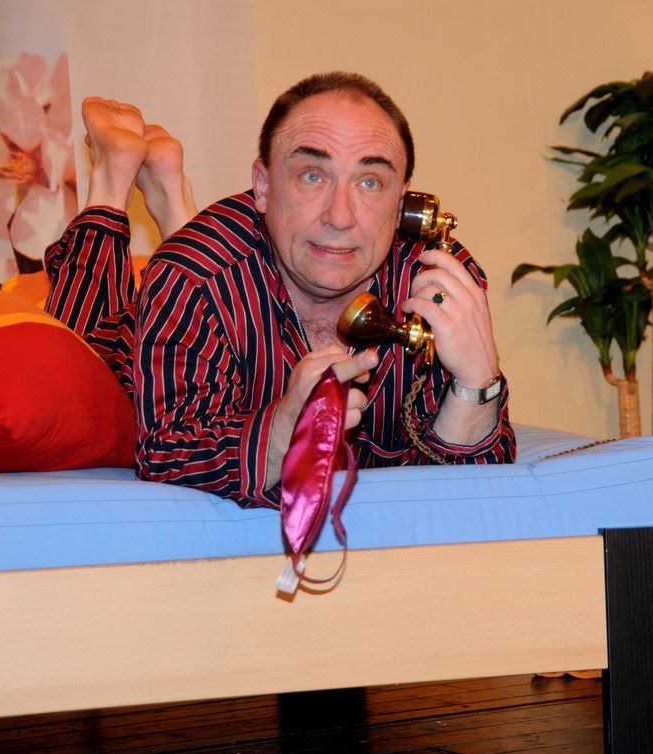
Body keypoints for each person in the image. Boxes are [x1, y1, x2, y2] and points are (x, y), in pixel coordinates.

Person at [46, 74, 515, 508]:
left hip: (231, 270)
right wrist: (282, 430)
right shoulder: (193, 275)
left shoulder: (438, 283)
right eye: (313, 175)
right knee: (78, 366)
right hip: (152, 330)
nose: (340, 216)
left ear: (403, 202)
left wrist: (477, 383)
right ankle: (111, 179)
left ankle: (175, 203)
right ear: (263, 186)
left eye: (370, 182)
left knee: (211, 268)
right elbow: (167, 454)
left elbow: (465, 500)